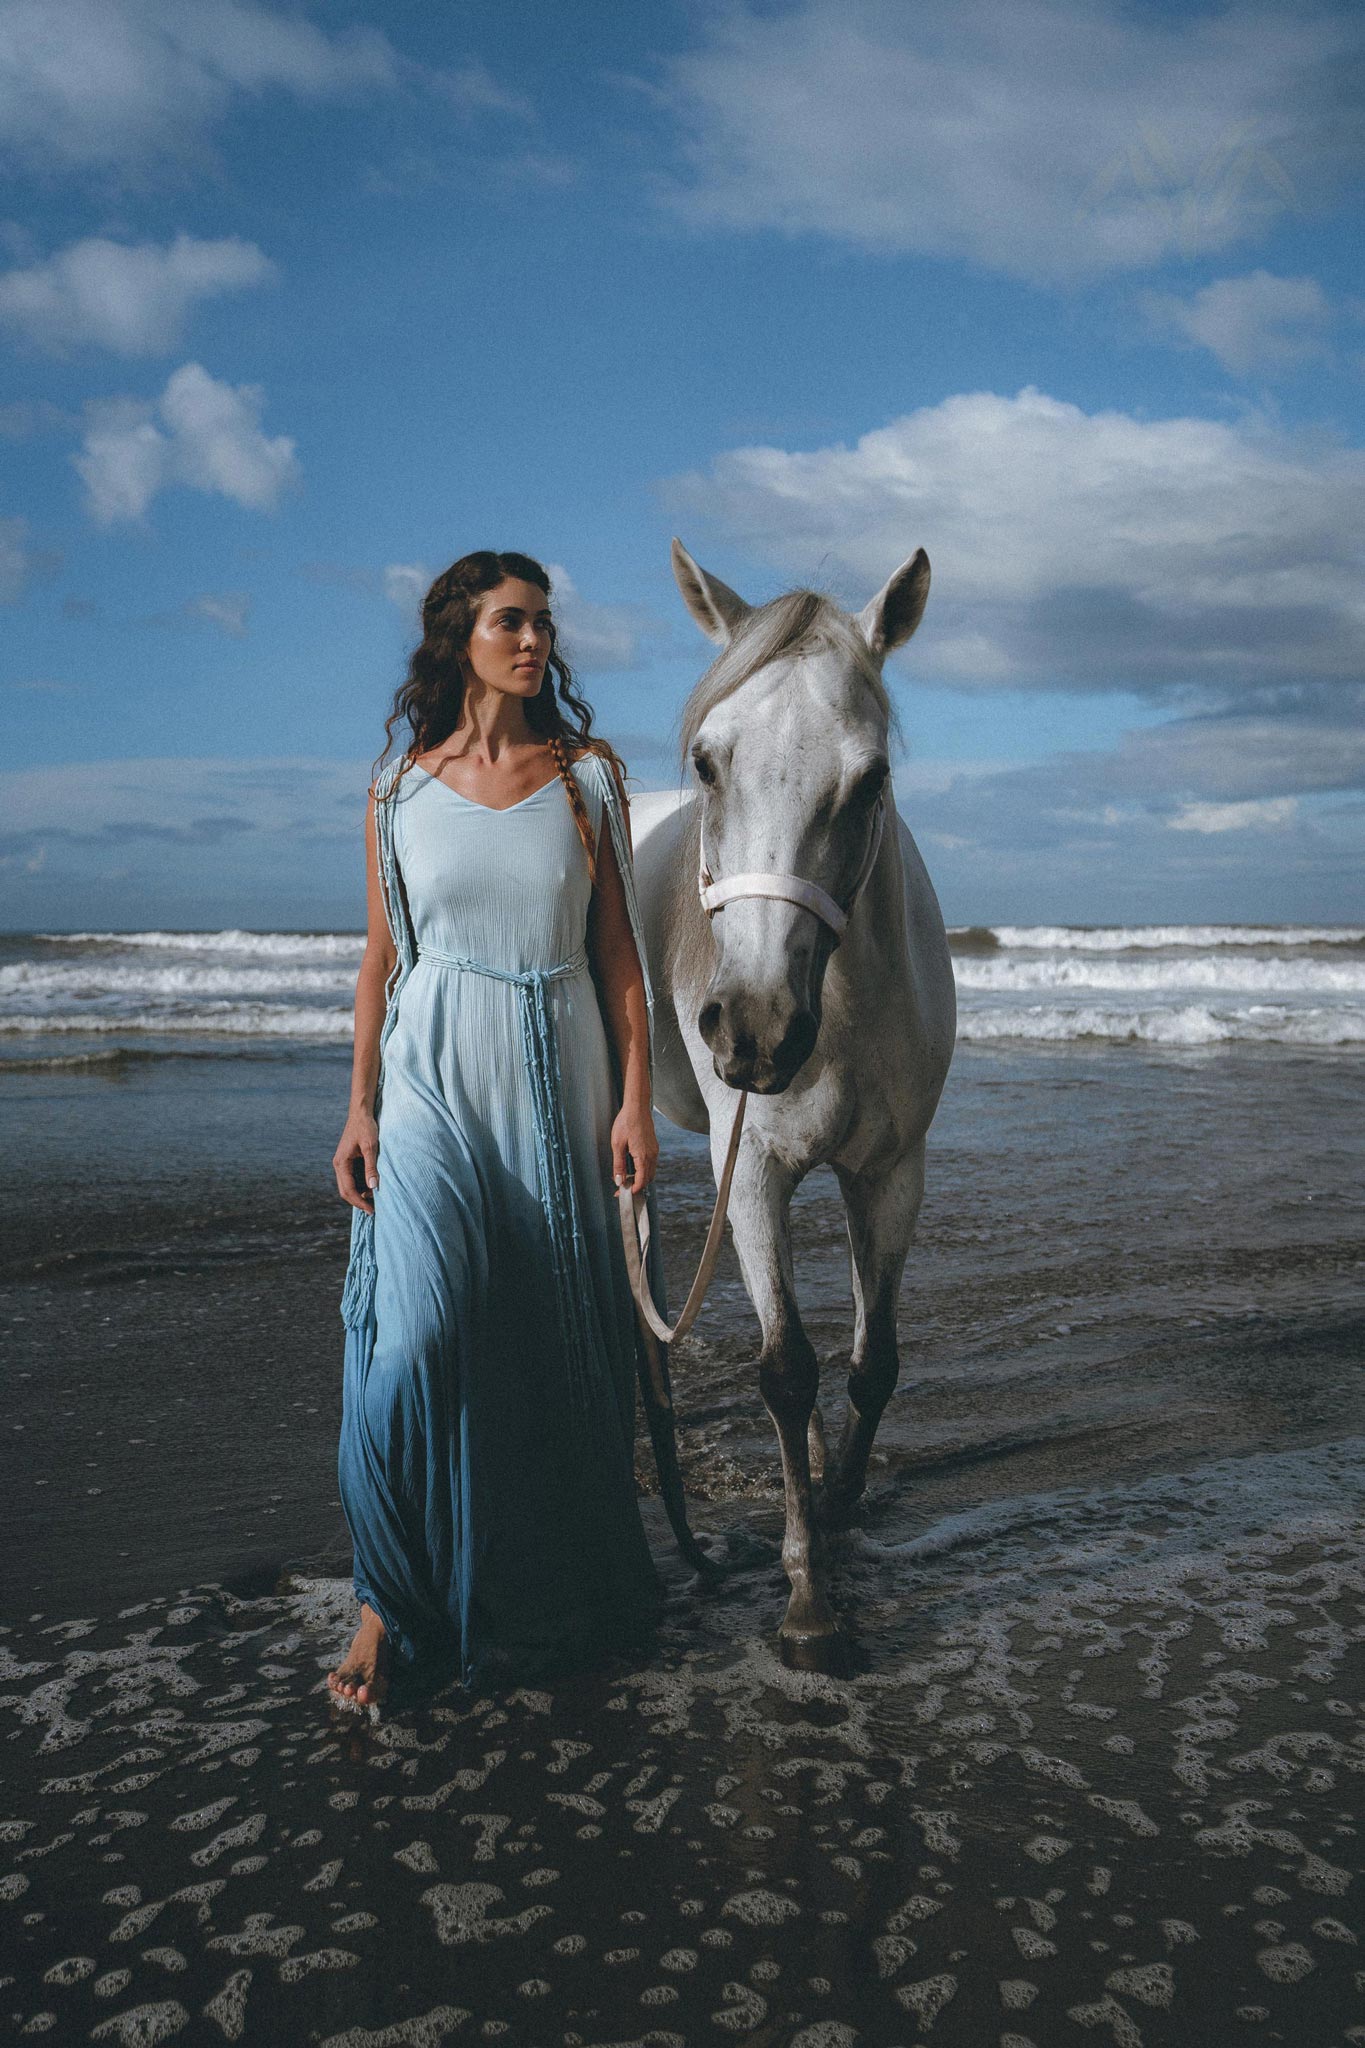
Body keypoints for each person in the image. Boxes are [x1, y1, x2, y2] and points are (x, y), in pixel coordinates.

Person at [327, 549, 666, 1708]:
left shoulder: (587, 780)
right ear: (459, 636)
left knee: (552, 1341)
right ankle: (386, 1594)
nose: (536, 641)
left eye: (544, 623)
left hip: (555, 1074)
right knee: (415, 1337)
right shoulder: (395, 794)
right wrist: (360, 1102)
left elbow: (620, 958)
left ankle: (540, 1592)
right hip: (430, 1081)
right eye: (512, 621)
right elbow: (381, 963)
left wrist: (634, 1095)